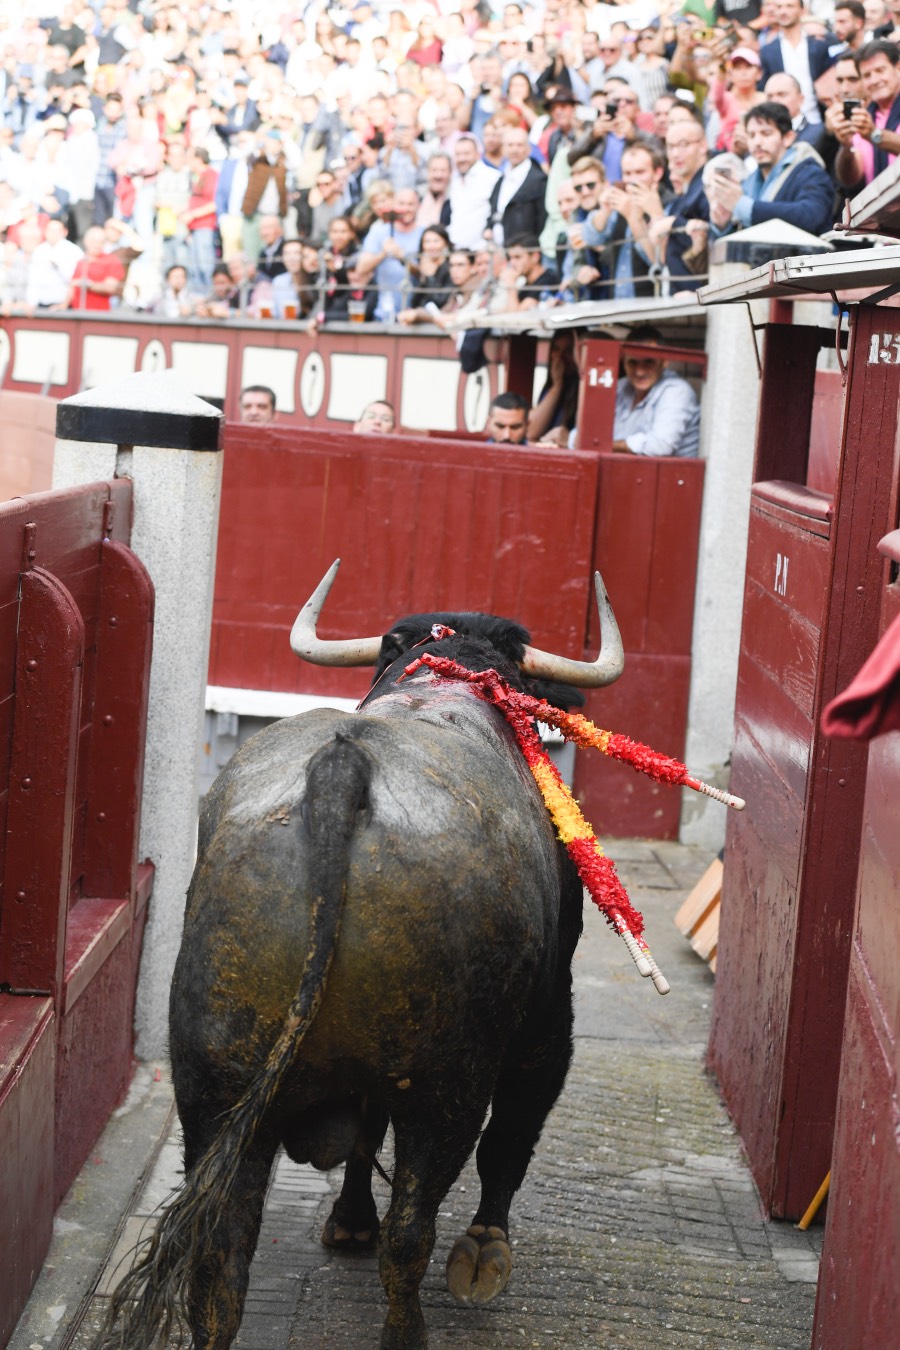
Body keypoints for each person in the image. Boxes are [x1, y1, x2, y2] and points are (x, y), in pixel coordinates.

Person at [708, 101, 836, 237]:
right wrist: (722, 225)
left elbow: (811, 215)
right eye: (751, 135)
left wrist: (745, 207)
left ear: (788, 138)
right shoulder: (749, 180)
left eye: (766, 134)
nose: (757, 142)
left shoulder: (810, 172)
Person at [612, 326, 700, 459]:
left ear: (665, 361)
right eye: (633, 362)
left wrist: (609, 445)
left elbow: (660, 446)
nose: (640, 372)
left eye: (649, 362)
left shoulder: (677, 391)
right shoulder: (621, 386)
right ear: (623, 363)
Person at [758, 0, 840, 126]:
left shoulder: (819, 46)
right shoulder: (767, 51)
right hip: (784, 123)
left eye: (789, 6)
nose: (783, 11)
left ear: (802, 10)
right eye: (779, 7)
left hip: (818, 119)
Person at [834, 40, 900, 188]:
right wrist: (846, 147)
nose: (874, 80)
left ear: (898, 68)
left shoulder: (867, 127)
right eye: (867, 75)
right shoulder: (865, 117)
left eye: (880, 70)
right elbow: (850, 179)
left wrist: (874, 135)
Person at [357, 186, 423, 322]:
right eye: (402, 204)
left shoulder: (424, 233)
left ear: (418, 206)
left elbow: (427, 276)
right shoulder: (378, 232)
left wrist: (404, 258)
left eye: (411, 204)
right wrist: (383, 253)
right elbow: (361, 268)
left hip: (415, 314)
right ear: (394, 205)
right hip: (384, 313)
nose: (406, 209)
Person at [486, 125, 548, 248]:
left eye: (519, 145)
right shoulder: (500, 180)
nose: (515, 150)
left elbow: (542, 219)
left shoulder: (539, 180)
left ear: (528, 149)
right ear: (503, 149)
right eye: (510, 145)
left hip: (525, 250)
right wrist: (489, 228)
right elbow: (494, 211)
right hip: (499, 249)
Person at [448, 134, 500, 249]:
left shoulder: (493, 177)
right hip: (457, 249)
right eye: (458, 154)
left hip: (483, 250)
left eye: (466, 153)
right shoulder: (454, 181)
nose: (462, 158)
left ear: (477, 154)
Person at [68, 223, 125, 310]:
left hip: (98, 314)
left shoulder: (111, 260)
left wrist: (88, 284)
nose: (97, 245)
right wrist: (63, 305)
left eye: (101, 242)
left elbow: (110, 287)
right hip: (77, 311)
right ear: (86, 241)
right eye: (93, 241)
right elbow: (72, 285)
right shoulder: (81, 260)